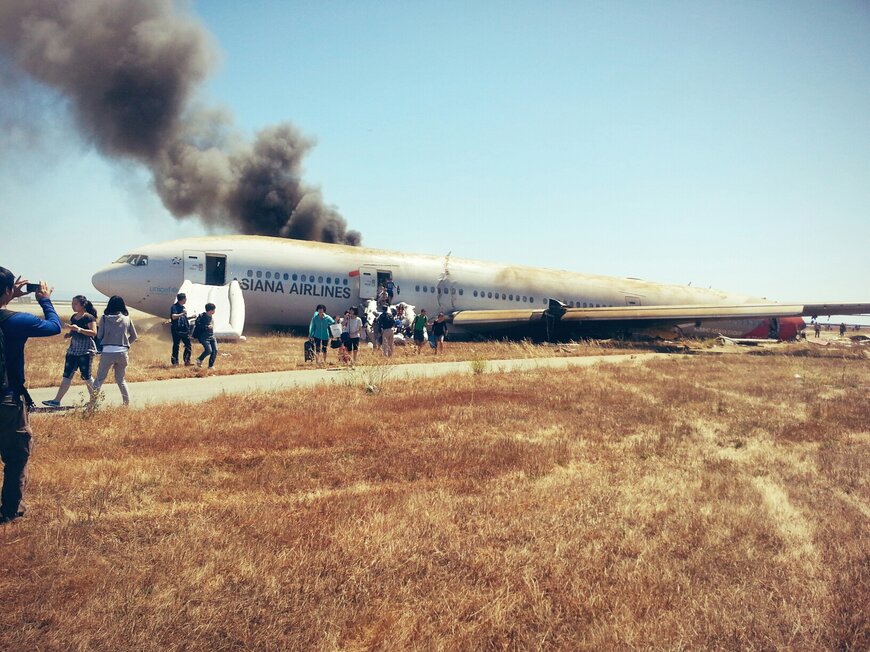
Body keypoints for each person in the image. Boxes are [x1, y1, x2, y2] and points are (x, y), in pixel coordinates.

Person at [0, 269, 61, 524]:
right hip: (7, 399)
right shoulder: (16, 321)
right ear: (8, 290)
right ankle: (11, 511)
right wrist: (45, 300)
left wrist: (7, 296)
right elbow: (54, 326)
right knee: (16, 457)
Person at [42, 295, 98, 407]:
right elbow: (74, 331)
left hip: (85, 351)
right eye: (72, 304)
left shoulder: (89, 317)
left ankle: (94, 401)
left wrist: (79, 329)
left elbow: (93, 332)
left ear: (83, 305)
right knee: (67, 375)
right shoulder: (74, 317)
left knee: (87, 377)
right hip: (73, 350)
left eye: (75, 304)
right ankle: (56, 400)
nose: (73, 306)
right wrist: (69, 334)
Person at [92, 295, 138, 406]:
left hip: (108, 351)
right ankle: (126, 404)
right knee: (121, 380)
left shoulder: (104, 318)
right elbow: (134, 336)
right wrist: (126, 344)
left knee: (99, 379)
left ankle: (92, 404)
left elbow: (99, 336)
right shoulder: (127, 318)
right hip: (122, 352)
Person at [170, 292, 192, 366]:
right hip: (176, 329)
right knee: (176, 345)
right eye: (185, 298)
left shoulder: (183, 307)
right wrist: (182, 313)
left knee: (188, 345)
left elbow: (183, 317)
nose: (186, 300)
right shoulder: (174, 307)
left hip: (184, 329)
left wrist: (191, 317)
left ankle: (187, 361)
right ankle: (175, 362)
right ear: (182, 299)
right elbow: (173, 316)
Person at [194, 303, 217, 369]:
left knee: (215, 350)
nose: (214, 311)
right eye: (213, 310)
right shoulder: (202, 316)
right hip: (204, 337)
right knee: (209, 350)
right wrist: (206, 327)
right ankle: (199, 359)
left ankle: (210, 366)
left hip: (211, 336)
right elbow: (197, 325)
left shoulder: (211, 316)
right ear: (210, 310)